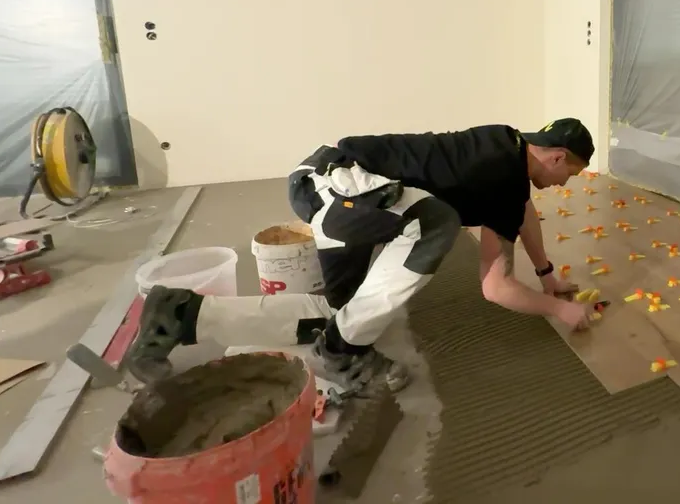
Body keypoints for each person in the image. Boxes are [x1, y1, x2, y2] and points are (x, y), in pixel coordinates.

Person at [126, 118, 597, 392]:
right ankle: (342, 351)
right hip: (343, 189)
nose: (566, 184)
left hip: (328, 184)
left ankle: (181, 314)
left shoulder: (505, 146)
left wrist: (547, 274)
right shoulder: (500, 175)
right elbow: (496, 288)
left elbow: (520, 211)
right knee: (435, 224)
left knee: (342, 311)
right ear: (556, 156)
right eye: (571, 174)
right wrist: (561, 310)